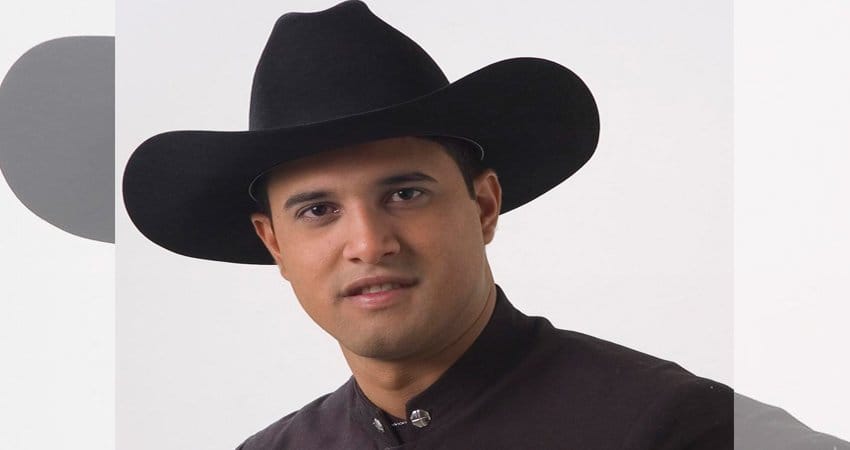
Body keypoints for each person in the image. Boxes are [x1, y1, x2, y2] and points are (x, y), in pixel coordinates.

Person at [123, 1, 734, 448]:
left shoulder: (674, 428)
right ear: (274, 243)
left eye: (405, 193)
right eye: (318, 211)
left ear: (484, 206)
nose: (368, 244)